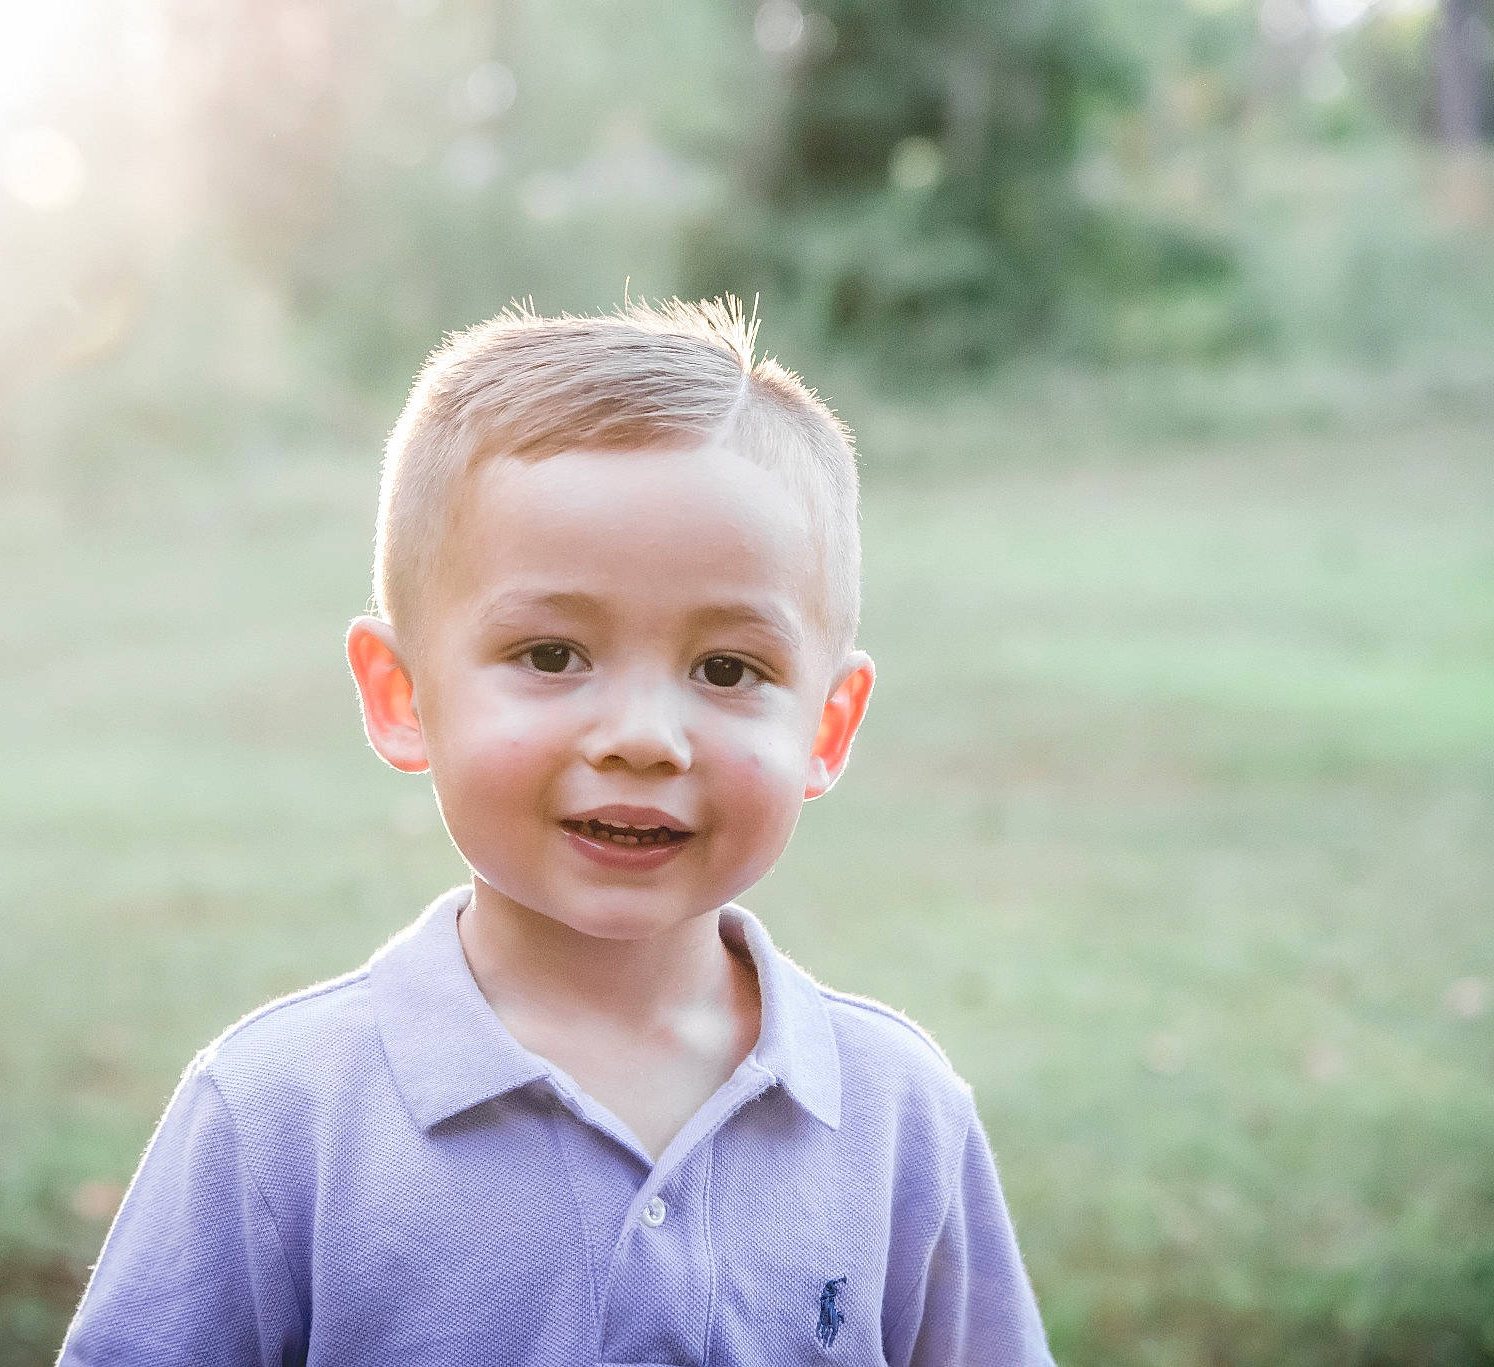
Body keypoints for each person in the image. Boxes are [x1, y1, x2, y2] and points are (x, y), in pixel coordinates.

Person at [57, 299, 1053, 1365]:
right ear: (400, 694)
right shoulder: (277, 1118)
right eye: (549, 654)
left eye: (727, 669)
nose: (641, 737)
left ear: (826, 723)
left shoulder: (895, 1113)